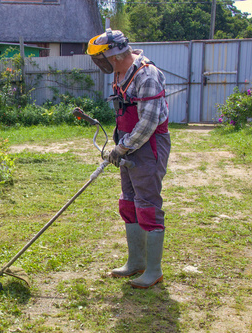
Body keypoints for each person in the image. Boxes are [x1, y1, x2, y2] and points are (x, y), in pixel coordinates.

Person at [87, 29, 170, 289]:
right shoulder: (120, 73)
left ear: (112, 56)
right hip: (127, 143)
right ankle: (136, 262)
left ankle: (153, 270)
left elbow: (147, 123)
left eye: (102, 57)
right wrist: (119, 143)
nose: (101, 62)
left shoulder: (147, 75)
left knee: (147, 204)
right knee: (129, 203)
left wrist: (122, 148)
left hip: (148, 146)